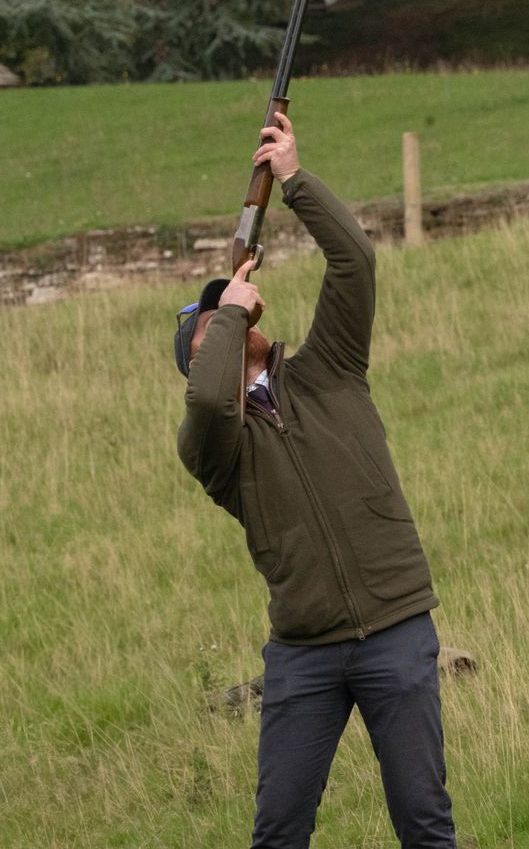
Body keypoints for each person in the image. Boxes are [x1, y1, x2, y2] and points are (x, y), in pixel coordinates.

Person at [175, 112, 457, 849]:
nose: (230, 314)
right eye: (211, 324)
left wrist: (294, 179)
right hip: (303, 654)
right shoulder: (215, 446)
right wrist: (227, 312)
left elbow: (356, 261)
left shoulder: (329, 366)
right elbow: (209, 395)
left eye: (229, 308)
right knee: (278, 834)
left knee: (425, 825)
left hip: (397, 626)